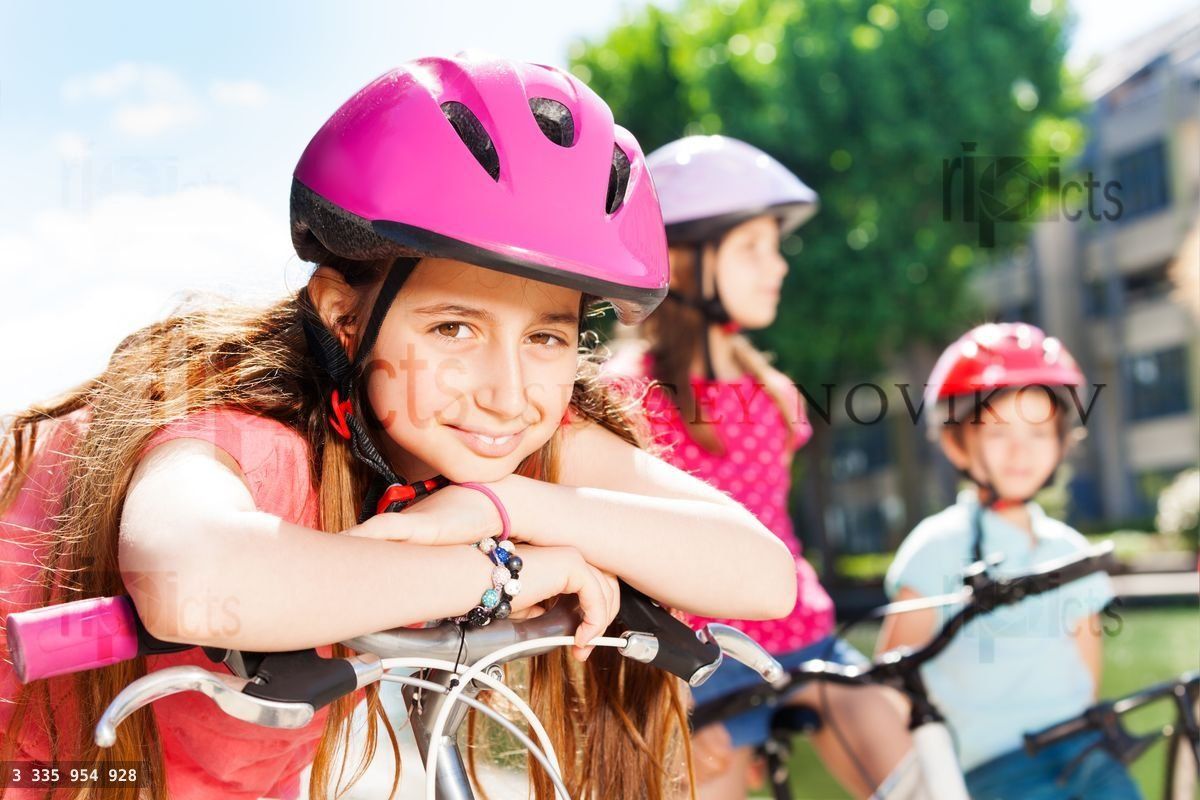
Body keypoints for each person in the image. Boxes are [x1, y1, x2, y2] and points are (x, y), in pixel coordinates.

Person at [0, 55, 799, 800]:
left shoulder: (513, 439)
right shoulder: (249, 426)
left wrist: (507, 509)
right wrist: (504, 574)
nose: (506, 391)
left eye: (547, 337)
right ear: (345, 318)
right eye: (454, 329)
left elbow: (761, 575)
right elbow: (199, 585)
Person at [608, 135, 912, 800]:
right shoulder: (625, 398)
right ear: (682, 263)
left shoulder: (774, 394)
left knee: (920, 778)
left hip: (805, 640)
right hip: (696, 665)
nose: (777, 266)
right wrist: (661, 703)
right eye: (751, 247)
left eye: (775, 247)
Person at [878, 322, 1140, 799]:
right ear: (957, 442)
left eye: (1040, 433)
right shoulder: (935, 545)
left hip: (1083, 749)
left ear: (1062, 441)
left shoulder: (1071, 550)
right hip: (991, 766)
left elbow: (1087, 676)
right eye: (999, 432)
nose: (1022, 451)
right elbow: (890, 683)